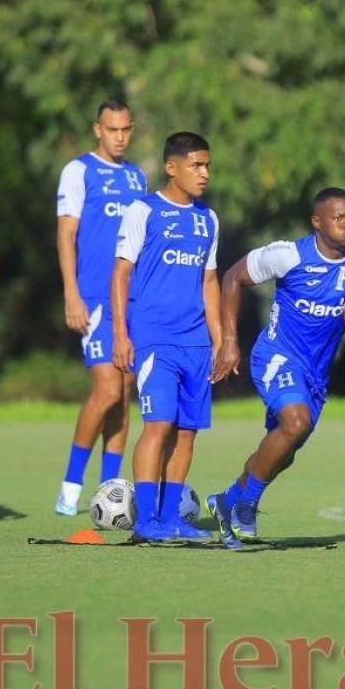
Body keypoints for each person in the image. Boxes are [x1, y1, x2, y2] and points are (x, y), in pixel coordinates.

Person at [209, 187, 345, 550]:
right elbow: (233, 277)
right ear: (317, 222)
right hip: (276, 354)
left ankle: (227, 500)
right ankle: (246, 506)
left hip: (316, 373)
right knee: (296, 423)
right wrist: (230, 342)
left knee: (284, 450)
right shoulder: (288, 255)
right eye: (339, 218)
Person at [111, 132, 220, 542]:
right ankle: (145, 521)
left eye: (207, 165)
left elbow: (209, 282)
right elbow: (120, 272)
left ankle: (172, 518)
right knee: (158, 423)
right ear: (172, 167)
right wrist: (121, 334)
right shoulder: (144, 210)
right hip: (154, 337)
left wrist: (221, 338)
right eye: (196, 165)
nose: (204, 173)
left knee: (187, 430)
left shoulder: (208, 219)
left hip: (197, 342)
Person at [54, 101, 148, 515]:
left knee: (124, 394)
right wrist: (71, 293)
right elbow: (66, 233)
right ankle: (71, 485)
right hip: (94, 298)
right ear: (98, 129)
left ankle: (108, 489)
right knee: (107, 389)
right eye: (113, 129)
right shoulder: (79, 171)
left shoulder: (138, 177)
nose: (120, 136)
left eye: (126, 129)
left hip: (131, 302)